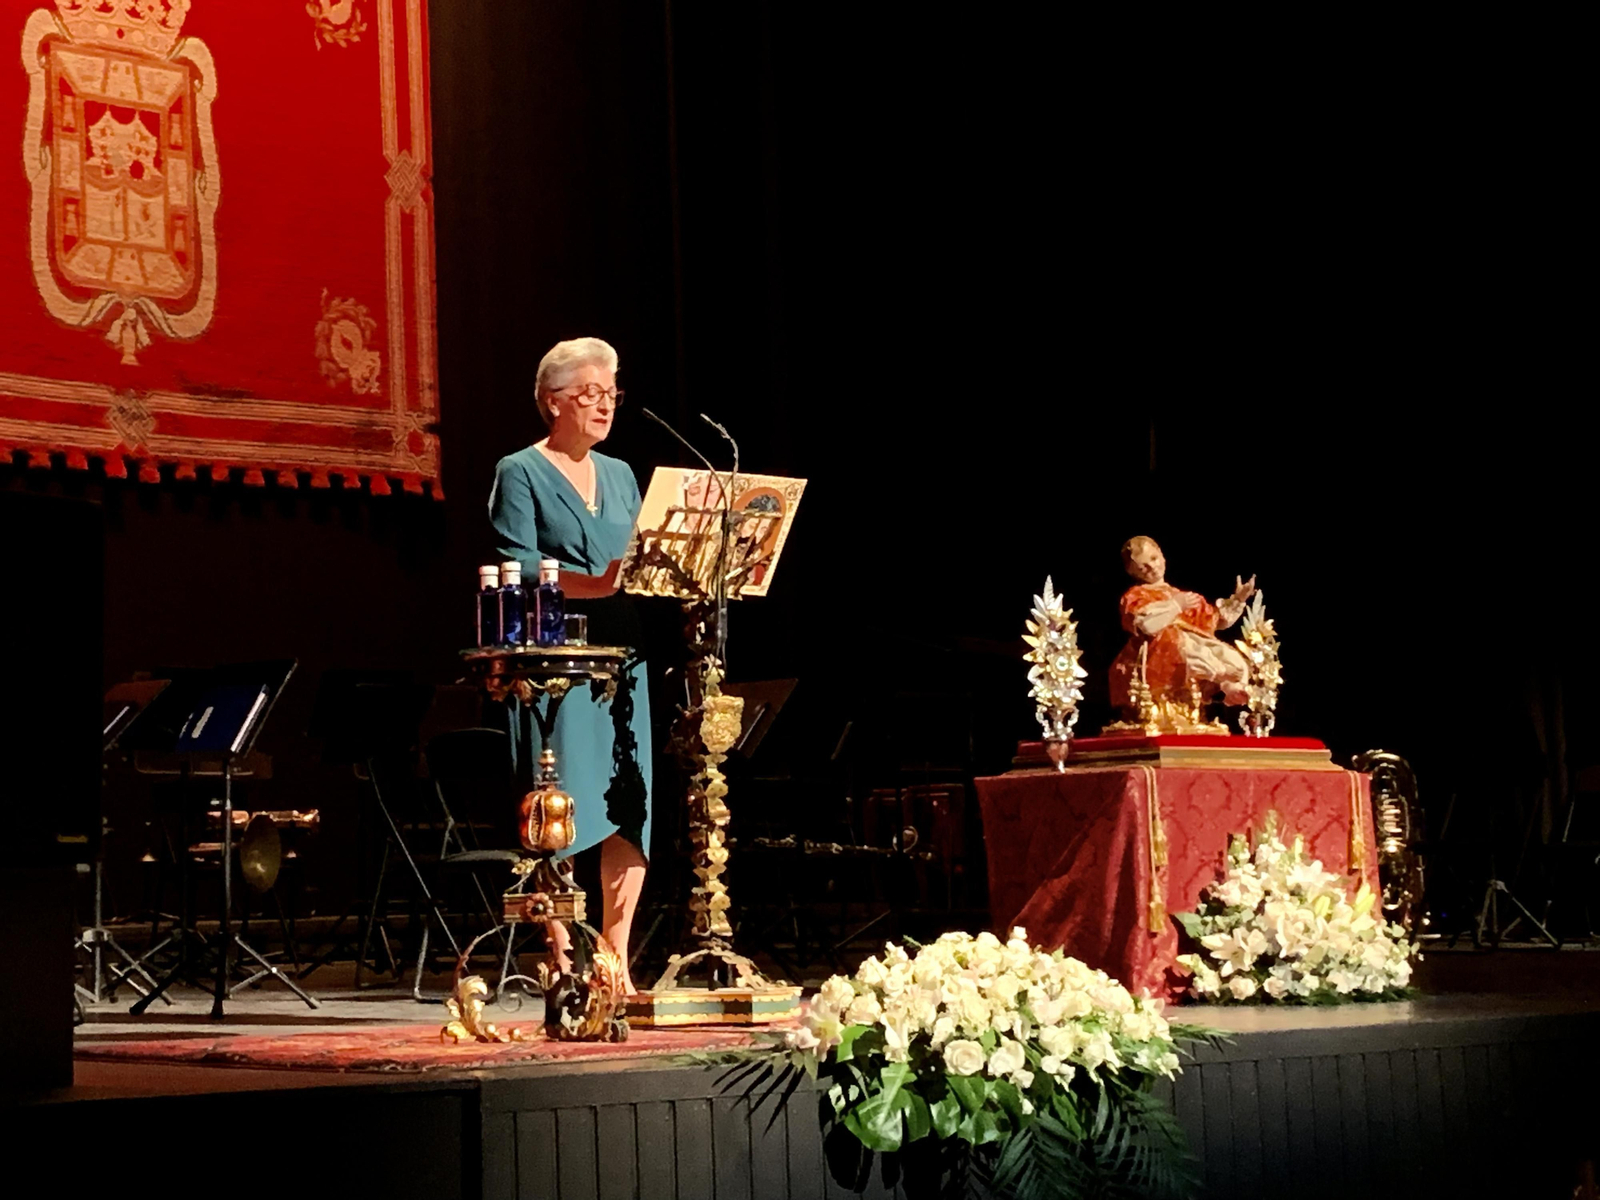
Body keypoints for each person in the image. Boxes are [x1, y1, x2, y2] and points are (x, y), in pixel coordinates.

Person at [488, 336, 651, 993]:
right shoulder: (520, 469)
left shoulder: (620, 474)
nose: (603, 404)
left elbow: (642, 551)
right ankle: (562, 954)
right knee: (561, 803)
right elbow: (515, 560)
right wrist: (596, 581)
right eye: (589, 393)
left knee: (631, 804)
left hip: (626, 658)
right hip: (558, 657)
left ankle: (615, 962)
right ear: (551, 401)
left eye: (611, 393)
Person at [1109, 535, 1256, 718]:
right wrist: (1174, 606)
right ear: (1133, 571)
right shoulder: (1137, 595)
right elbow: (1146, 624)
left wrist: (1238, 599)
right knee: (1195, 653)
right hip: (1163, 651)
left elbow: (1215, 620)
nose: (1152, 568)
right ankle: (1222, 684)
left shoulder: (1183, 596)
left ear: (1162, 556)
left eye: (1154, 559)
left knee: (1232, 659)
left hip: (1189, 650)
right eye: (1143, 567)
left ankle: (1228, 686)